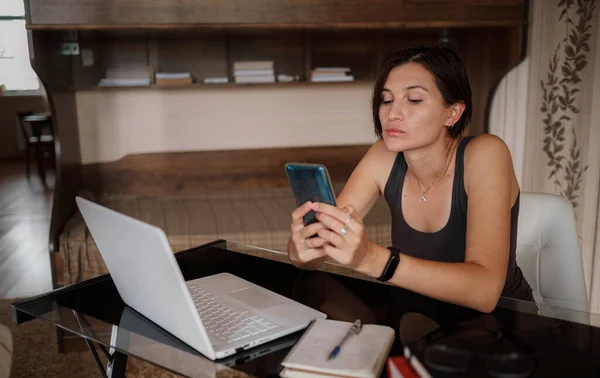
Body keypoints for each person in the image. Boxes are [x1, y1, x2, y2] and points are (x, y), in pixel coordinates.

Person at [287, 44, 534, 317]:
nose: (393, 113)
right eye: (387, 100)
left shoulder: (485, 153)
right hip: (419, 322)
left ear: (452, 113)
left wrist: (372, 258)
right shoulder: (384, 155)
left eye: (414, 100)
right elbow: (324, 245)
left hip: (502, 330)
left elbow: (485, 292)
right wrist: (303, 249)